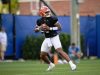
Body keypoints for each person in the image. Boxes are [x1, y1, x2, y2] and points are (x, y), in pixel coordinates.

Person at [34, 6, 76, 71]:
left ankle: (72, 64)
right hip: (47, 38)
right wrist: (39, 28)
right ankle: (51, 65)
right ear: (42, 13)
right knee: (42, 55)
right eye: (46, 12)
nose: (48, 13)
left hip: (54, 36)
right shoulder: (39, 21)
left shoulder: (52, 18)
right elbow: (35, 30)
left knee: (59, 51)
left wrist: (49, 28)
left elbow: (60, 28)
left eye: (48, 11)